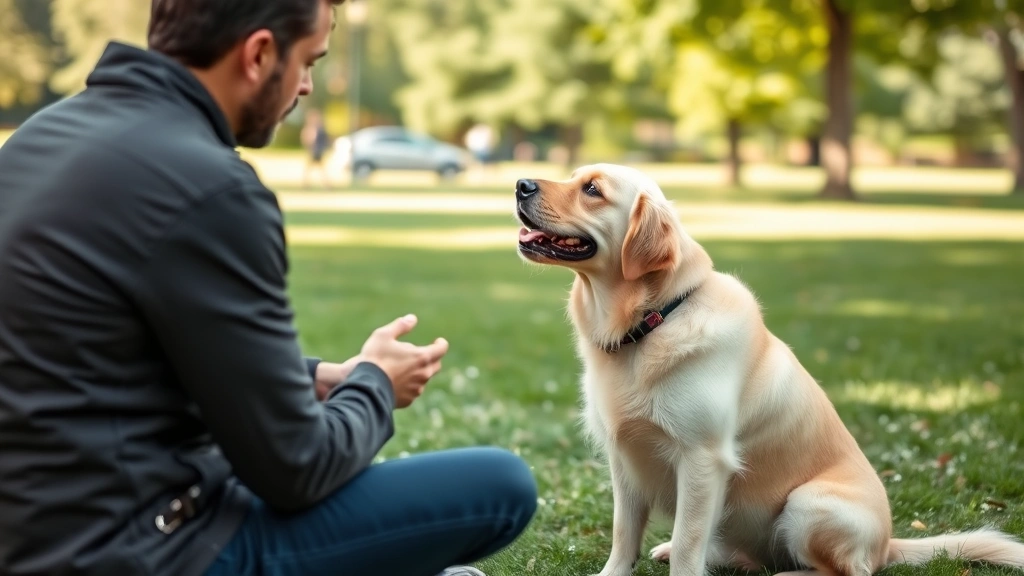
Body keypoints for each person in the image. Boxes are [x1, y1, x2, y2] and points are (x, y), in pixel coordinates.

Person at [0, 1, 537, 575]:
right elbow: (296, 469)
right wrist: (375, 384)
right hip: (143, 551)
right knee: (499, 485)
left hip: (34, 534)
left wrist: (309, 378)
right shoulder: (211, 188)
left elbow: (113, 349)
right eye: (308, 61)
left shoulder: (40, 138)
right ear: (258, 54)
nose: (307, 86)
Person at [300, 108, 332, 188]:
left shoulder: (318, 128)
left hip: (317, 150)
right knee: (314, 168)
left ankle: (308, 184)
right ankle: (307, 184)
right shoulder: (313, 128)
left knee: (317, 168)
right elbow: (309, 138)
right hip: (315, 150)